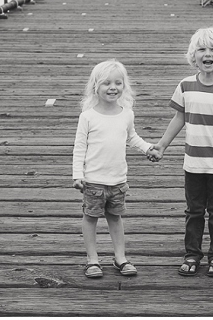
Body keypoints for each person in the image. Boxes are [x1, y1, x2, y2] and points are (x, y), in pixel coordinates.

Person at [147, 27, 213, 278]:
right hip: (193, 164)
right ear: (194, 56)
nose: (207, 54)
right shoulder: (185, 85)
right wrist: (162, 145)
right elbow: (179, 118)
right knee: (194, 211)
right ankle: (192, 253)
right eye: (202, 49)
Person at [72, 59, 157, 279]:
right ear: (95, 87)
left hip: (118, 181)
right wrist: (77, 175)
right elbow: (79, 147)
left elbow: (132, 137)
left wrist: (149, 148)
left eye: (118, 83)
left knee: (115, 218)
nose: (113, 87)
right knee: (90, 218)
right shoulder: (88, 117)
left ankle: (120, 257)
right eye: (106, 83)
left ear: (124, 86)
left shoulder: (126, 113)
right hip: (93, 181)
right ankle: (92, 259)